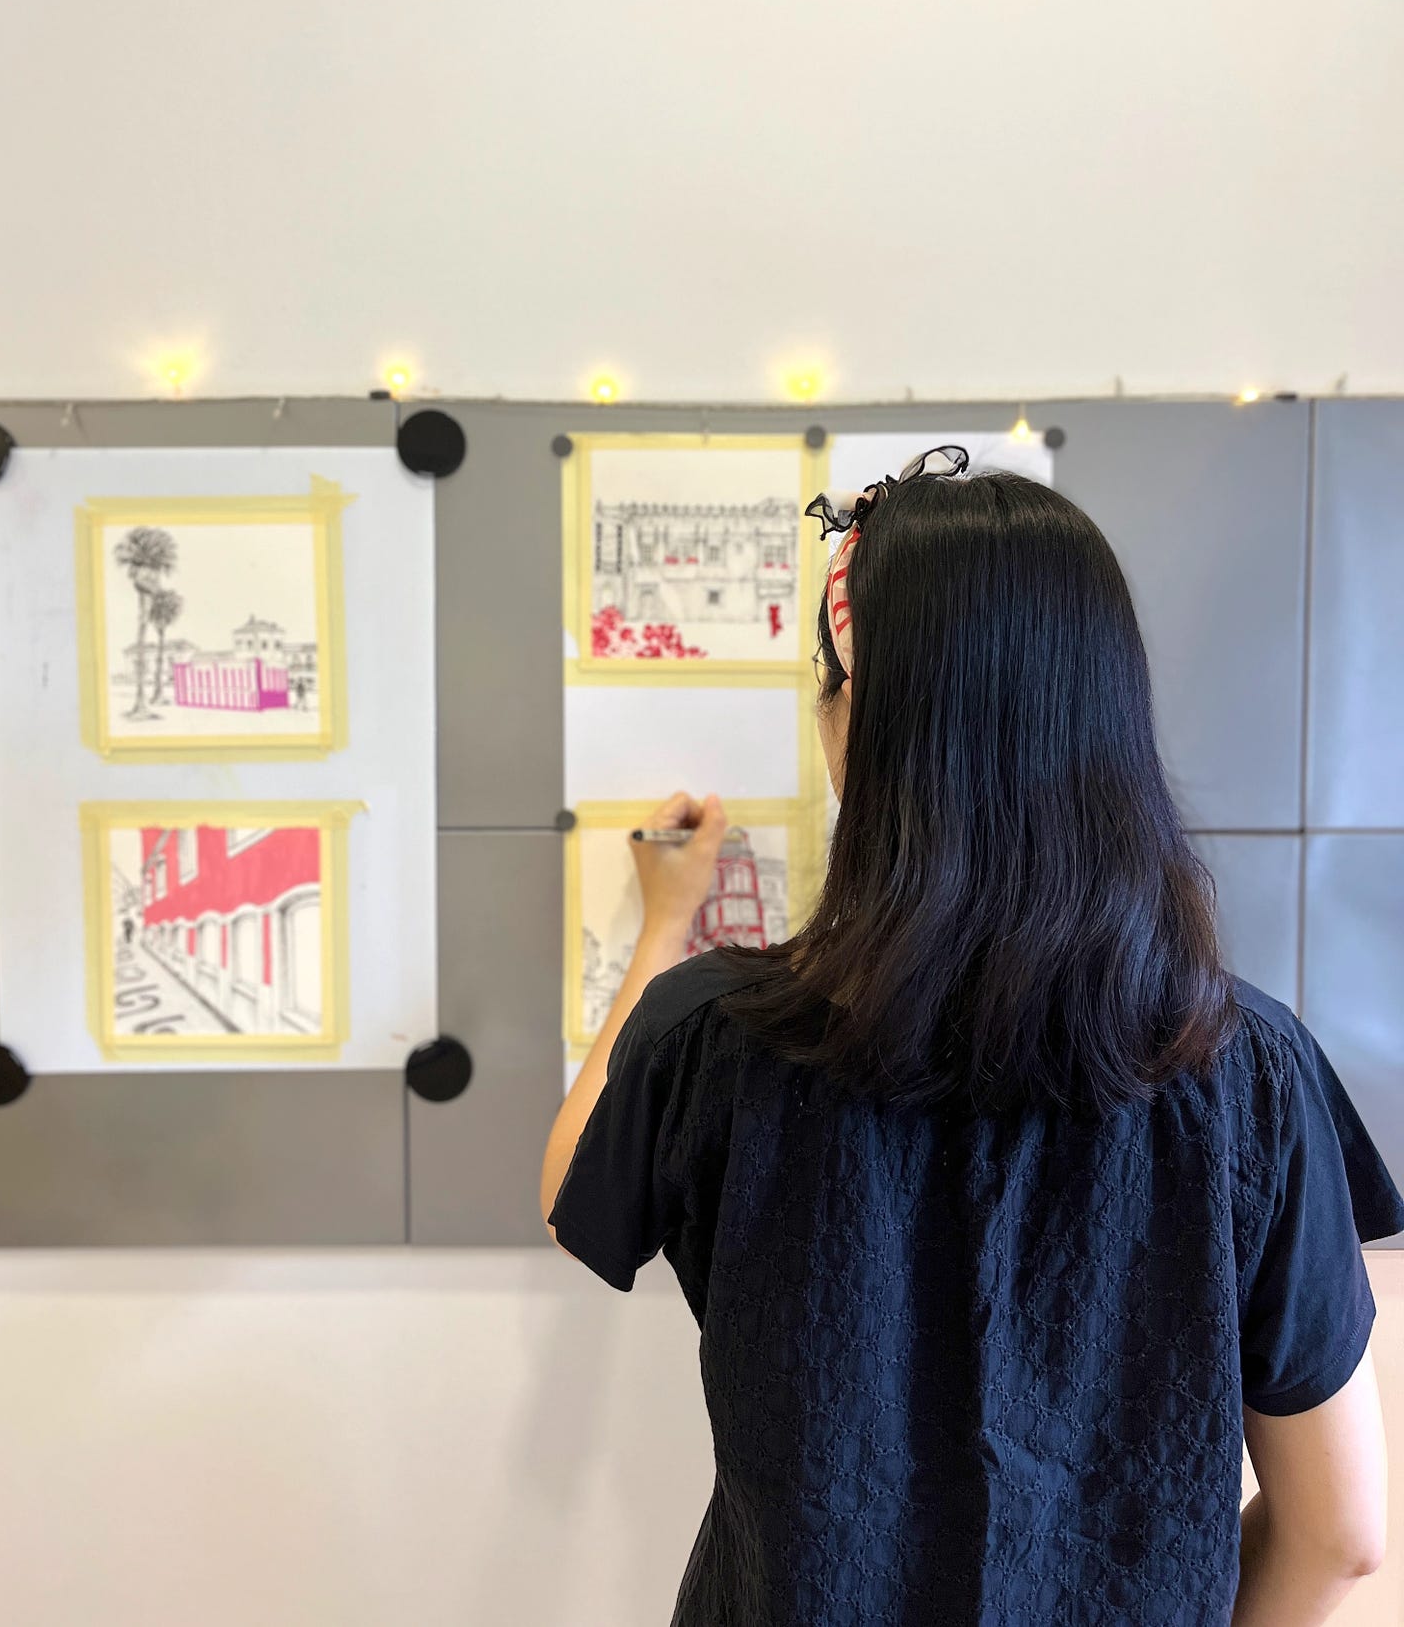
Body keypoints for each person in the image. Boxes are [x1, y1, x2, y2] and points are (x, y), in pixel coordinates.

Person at [541, 449, 1402, 1627]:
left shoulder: (711, 1041)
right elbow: (1342, 1539)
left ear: (858, 730)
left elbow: (567, 1186)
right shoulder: (1248, 1070)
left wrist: (661, 934)